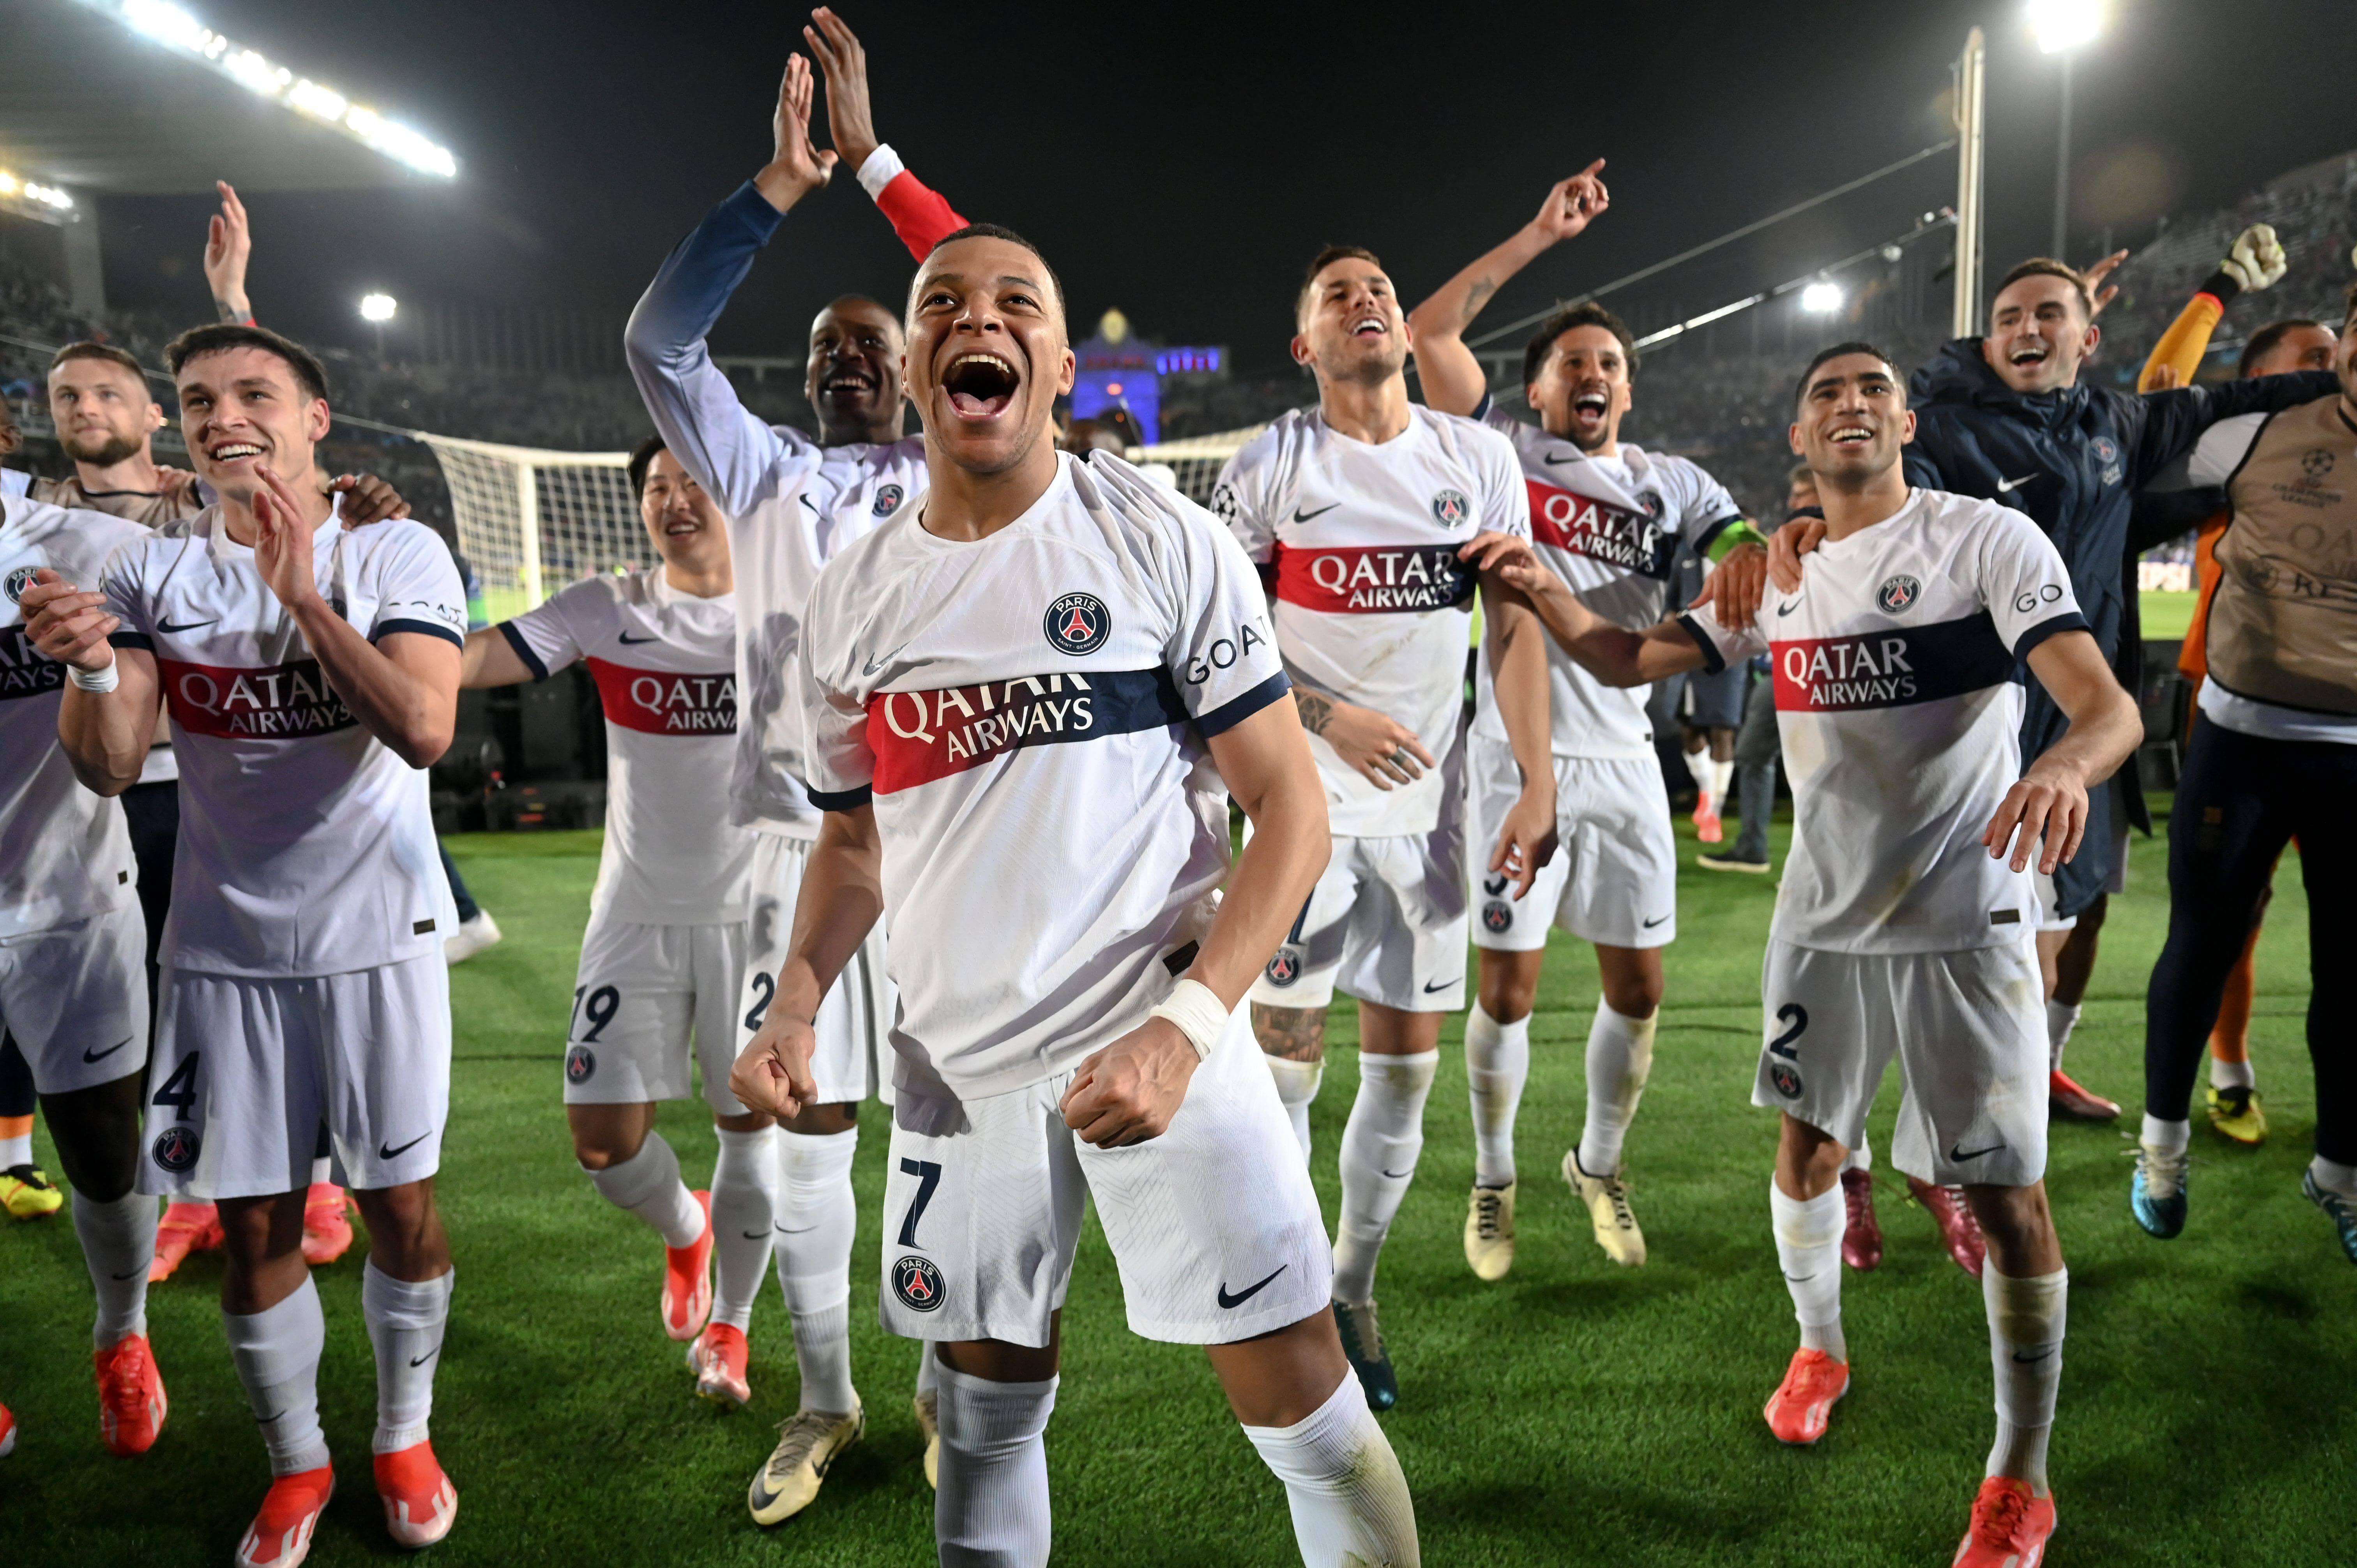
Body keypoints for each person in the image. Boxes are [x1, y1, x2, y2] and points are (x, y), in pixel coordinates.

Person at [733, 207, 1420, 1568]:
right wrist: (798, 993)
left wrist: (1188, 1030)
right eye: (942, 304)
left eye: (1013, 304)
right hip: (952, 1063)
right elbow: (852, 842)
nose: (973, 320)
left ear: (1057, 368)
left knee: (1307, 1418)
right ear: (918, 366)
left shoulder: (1160, 540)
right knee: (984, 1422)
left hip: (1163, 1033)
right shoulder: (852, 598)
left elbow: (1289, 808)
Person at [1469, 341, 2142, 1567]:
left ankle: (2019, 1476)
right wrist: (1540, 590)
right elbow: (1628, 659)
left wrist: (2059, 763)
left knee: (2007, 1197)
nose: (1851, 403)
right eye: (1825, 390)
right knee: (1809, 1149)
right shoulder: (1775, 576)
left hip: (1967, 921)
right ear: (1797, 434)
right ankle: (1820, 1347)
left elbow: (2107, 707)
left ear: (1907, 423)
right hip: (1822, 920)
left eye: (1874, 389)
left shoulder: (1986, 544)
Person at [27, 323, 467, 1561]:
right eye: (200, 397)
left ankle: (402, 1435)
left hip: (378, 939)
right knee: (259, 1224)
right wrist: (94, 663)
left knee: (400, 1208)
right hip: (221, 952)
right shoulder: (155, 571)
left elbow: (425, 728)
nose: (226, 414)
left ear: (315, 419)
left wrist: (305, 602)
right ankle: (298, 1467)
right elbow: (111, 769)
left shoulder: (393, 545)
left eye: (256, 393)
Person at [623, 12, 969, 1516]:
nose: (845, 363)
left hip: (958, 851)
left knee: (963, 1138)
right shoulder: (760, 469)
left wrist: (877, 159)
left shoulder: (977, 468)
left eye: (870, 346)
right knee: (804, 1137)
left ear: (913, 365)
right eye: (826, 349)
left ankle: (952, 1384)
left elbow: (993, 298)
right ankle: (823, 1398)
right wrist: (775, 188)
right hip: (802, 847)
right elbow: (652, 338)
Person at [1770, 251, 2338, 1125]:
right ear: (1986, 338)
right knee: (1964, 931)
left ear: (2088, 334)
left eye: (2047, 314)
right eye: (2009, 317)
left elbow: (2226, 400)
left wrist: (2326, 380)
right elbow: (1879, 486)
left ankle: (2030, 1073)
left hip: (2085, 709)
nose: (2027, 330)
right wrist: (1811, 521)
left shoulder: (2120, 422)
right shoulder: (1950, 422)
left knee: (2074, 910)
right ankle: (1925, 1130)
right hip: (1980, 712)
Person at [1406, 168, 1769, 1275]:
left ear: (1630, 389)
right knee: (1507, 988)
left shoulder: (1672, 485)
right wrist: (1538, 233)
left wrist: (1752, 559)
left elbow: (1736, 544)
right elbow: (1429, 329)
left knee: (1641, 986)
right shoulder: (1502, 452)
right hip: (1515, 755)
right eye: (1574, 364)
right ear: (1539, 391)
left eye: (1610, 363)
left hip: (1623, 752)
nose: (1594, 375)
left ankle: (1598, 1163)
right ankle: (1494, 1174)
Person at [1215, 243, 1553, 1407]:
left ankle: (1353, 1287)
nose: (1367, 303)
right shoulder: (1268, 466)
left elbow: (1512, 630)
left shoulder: (1479, 459)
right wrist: (1330, 718)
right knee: (1288, 1075)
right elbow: (1226, 655)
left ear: (1408, 333)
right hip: (1300, 816)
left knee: (1406, 1078)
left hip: (1432, 823)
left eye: (1383, 294)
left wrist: (1538, 779)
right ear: (1304, 346)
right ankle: (1290, 1290)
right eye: (1335, 295)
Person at [455, 435, 767, 1401]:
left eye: (694, 482)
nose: (673, 500)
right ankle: (686, 1228)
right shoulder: (606, 606)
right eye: (655, 487)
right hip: (632, 911)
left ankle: (733, 1326)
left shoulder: (792, 602)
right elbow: (466, 664)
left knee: (748, 1128)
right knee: (601, 1139)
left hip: (758, 915)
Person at [2131, 283, 2357, 1266]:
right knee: (2203, 945)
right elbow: (2145, 430)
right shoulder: (2260, 427)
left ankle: (2341, 1172)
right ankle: (2163, 1154)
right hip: (2245, 735)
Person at [2, 486, 168, 1455]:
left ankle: (123, 1333)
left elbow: (232, 579)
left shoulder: (94, 547)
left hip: (73, 899)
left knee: (106, 1142)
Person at [1698, 463, 1815, 877]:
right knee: (1758, 754)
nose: (1791, 505)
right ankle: (1757, 846)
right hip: (1790, 665)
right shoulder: (1784, 543)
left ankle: (1773, 851)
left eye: (1800, 496)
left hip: (1812, 666)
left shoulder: (1827, 541)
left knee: (1803, 765)